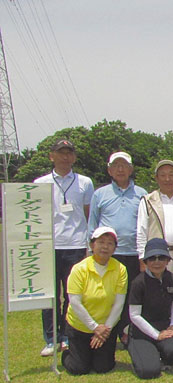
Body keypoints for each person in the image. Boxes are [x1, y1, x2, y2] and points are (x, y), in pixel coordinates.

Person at [34, 139, 94, 357]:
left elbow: (88, 214)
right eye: (61, 153)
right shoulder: (40, 183)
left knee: (72, 295)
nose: (65, 157)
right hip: (49, 245)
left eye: (69, 153)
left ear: (74, 157)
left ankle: (68, 335)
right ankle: (51, 338)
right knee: (50, 295)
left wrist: (88, 244)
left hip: (76, 244)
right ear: (52, 156)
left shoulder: (84, 183)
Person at [88, 151, 147, 345]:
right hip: (107, 255)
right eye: (116, 166)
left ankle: (127, 331)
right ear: (109, 170)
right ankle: (106, 331)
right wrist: (92, 252)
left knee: (131, 295)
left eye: (124, 166)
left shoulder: (142, 194)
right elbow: (92, 225)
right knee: (107, 295)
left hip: (134, 254)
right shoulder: (100, 194)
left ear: (131, 169)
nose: (120, 169)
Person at [61, 227, 127, 375]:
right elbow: (75, 303)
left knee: (103, 367)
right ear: (92, 245)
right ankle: (67, 354)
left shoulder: (120, 269)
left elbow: (119, 303)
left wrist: (104, 330)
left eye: (110, 243)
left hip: (105, 328)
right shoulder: (79, 269)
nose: (105, 246)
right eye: (101, 242)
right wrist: (94, 327)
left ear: (115, 248)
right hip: (80, 326)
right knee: (79, 368)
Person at [127, 238, 173, 379]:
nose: (157, 262)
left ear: (167, 260)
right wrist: (156, 335)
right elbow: (134, 315)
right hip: (141, 333)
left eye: (161, 257)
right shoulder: (138, 283)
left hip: (164, 330)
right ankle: (145, 355)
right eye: (152, 258)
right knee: (149, 371)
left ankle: (162, 357)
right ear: (146, 261)